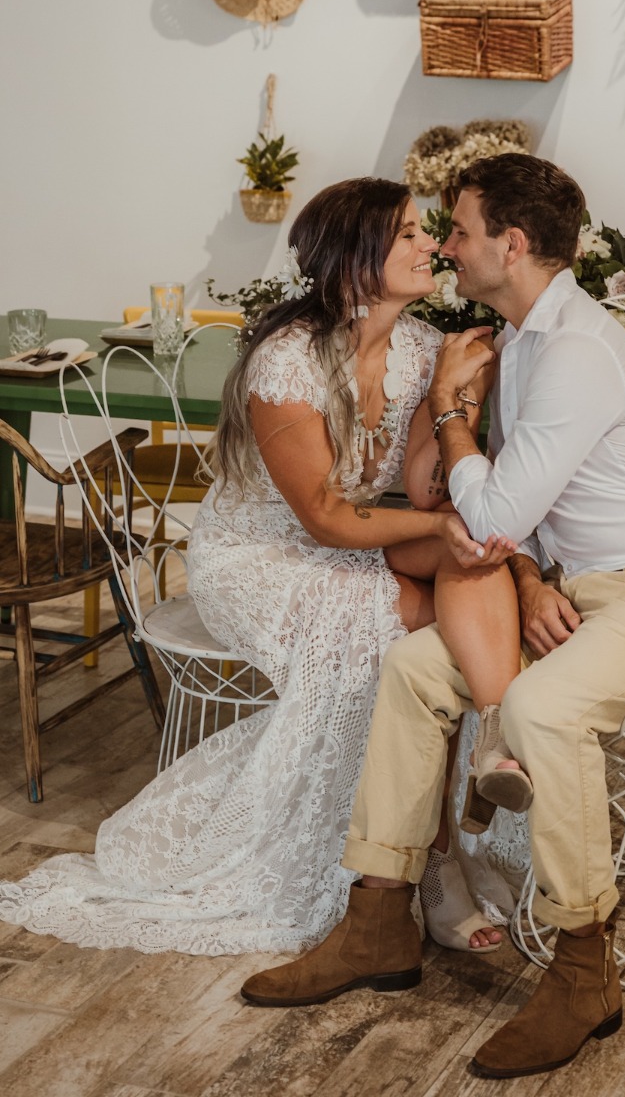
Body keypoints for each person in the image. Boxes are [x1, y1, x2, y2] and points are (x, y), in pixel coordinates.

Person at [238, 155, 625, 1080]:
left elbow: (495, 514)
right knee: (411, 669)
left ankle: (585, 970)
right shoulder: (516, 338)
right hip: (590, 592)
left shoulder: (576, 351)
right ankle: (379, 920)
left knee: (544, 709)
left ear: (511, 245)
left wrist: (449, 411)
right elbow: (504, 520)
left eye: (459, 230)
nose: (447, 246)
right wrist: (532, 576)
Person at [0, 177, 527, 957]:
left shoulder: (419, 349)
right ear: (354, 259)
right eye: (410, 234)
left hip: (361, 539)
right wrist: (442, 528)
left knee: (477, 567)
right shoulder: (288, 364)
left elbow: (419, 487)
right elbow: (323, 516)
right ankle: (435, 861)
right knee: (421, 640)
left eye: (427, 231)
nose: (431, 246)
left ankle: (488, 757)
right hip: (262, 558)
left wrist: (454, 399)